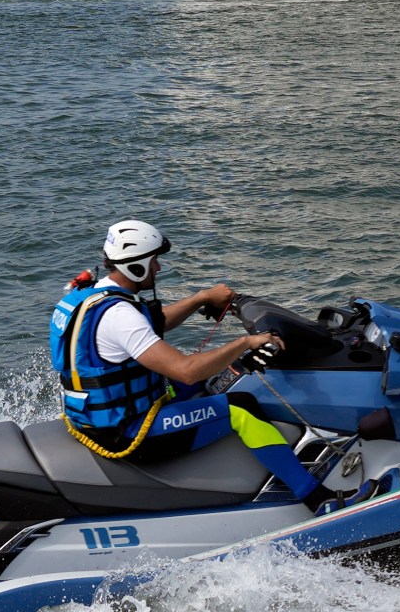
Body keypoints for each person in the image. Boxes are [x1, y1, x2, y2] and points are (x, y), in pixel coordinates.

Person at [50, 219, 382, 514]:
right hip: (126, 433)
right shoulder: (119, 315)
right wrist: (245, 343)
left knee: (211, 384)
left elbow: (151, 325)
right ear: (136, 265)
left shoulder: (92, 297)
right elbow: (186, 370)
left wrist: (200, 298)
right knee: (243, 408)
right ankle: (318, 499)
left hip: (96, 419)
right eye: (154, 262)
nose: (159, 270)